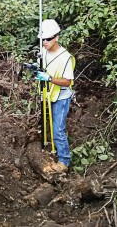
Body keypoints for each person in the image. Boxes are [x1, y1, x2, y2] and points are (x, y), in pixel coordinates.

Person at [35, 19, 75, 173]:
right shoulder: (43, 51)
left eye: (48, 39)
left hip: (61, 96)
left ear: (56, 37)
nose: (44, 42)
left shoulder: (65, 57)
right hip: (48, 94)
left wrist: (49, 78)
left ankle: (64, 161)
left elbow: (67, 81)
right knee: (47, 123)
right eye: (42, 39)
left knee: (58, 128)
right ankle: (49, 147)